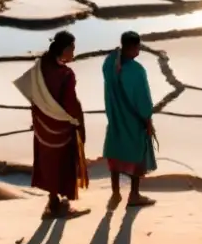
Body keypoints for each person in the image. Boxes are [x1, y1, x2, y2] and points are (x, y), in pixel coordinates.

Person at [26, 31, 89, 218]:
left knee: (49, 162)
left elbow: (33, 94)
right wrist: (79, 123)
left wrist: (39, 118)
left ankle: (53, 200)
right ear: (66, 48)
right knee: (64, 163)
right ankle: (64, 205)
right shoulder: (65, 74)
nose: (74, 53)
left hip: (42, 126)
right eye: (73, 49)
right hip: (61, 127)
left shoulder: (40, 66)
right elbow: (70, 103)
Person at [102, 30, 158, 209]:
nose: (139, 51)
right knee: (137, 155)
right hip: (133, 121)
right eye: (138, 47)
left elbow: (112, 62)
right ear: (133, 47)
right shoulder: (136, 71)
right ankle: (134, 194)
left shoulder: (110, 64)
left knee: (116, 152)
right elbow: (143, 100)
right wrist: (148, 121)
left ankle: (115, 193)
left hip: (115, 118)